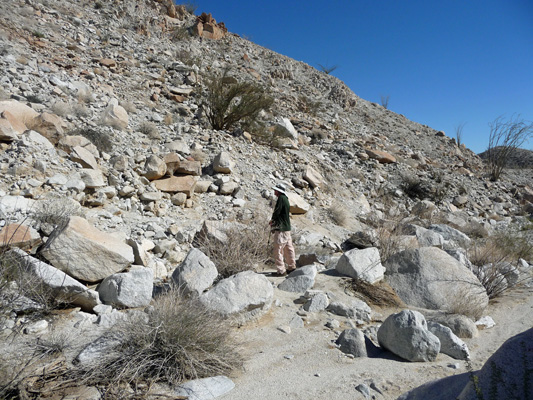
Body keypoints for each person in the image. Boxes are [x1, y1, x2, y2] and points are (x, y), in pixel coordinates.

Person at [269, 182, 296, 275]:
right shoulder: (286, 199)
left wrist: (273, 221)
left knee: (278, 249)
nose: (274, 192)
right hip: (287, 228)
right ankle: (292, 267)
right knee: (289, 248)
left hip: (281, 228)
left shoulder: (280, 198)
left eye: (275, 190)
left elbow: (277, 212)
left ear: (278, 191)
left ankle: (281, 271)